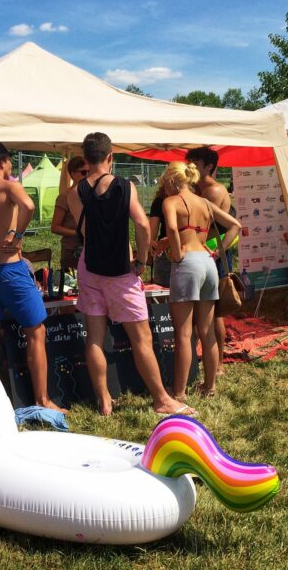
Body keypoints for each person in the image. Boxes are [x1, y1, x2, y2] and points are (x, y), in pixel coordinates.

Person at [67, 132, 194, 417]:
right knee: (141, 338)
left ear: (85, 159)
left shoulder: (73, 194)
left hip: (89, 267)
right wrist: (141, 259)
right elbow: (143, 225)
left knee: (95, 338)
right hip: (121, 270)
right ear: (110, 156)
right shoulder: (125, 186)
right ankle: (161, 399)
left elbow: (86, 230)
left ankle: (104, 401)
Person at [0, 142, 66, 414]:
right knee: (36, 331)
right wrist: (18, 234)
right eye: (10, 162)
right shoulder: (7, 185)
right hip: (11, 268)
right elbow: (29, 205)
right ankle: (42, 400)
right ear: (3, 161)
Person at [161, 162, 241, 399]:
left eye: (164, 181)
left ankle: (179, 392)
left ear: (173, 181)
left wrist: (176, 253)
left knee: (184, 333)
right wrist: (218, 251)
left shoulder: (171, 202)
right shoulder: (204, 202)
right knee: (207, 332)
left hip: (187, 265)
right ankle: (210, 386)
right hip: (207, 263)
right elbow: (235, 225)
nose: (163, 187)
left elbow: (174, 229)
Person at [185, 146, 233, 372]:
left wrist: (214, 251)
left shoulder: (213, 191)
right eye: (189, 163)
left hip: (212, 254)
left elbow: (210, 228)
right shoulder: (197, 188)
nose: (190, 168)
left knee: (215, 314)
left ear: (209, 167)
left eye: (195, 164)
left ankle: (220, 363)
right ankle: (203, 360)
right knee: (202, 311)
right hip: (202, 253)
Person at [51, 156, 88, 281]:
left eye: (89, 172)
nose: (87, 175)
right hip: (72, 250)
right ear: (72, 174)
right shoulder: (64, 197)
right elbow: (55, 227)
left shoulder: (94, 194)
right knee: (72, 288)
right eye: (83, 172)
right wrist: (78, 233)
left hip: (91, 249)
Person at [149, 180, 171, 287]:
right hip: (191, 251)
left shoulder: (160, 201)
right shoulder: (195, 199)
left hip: (164, 250)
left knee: (163, 292)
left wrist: (152, 244)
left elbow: (151, 234)